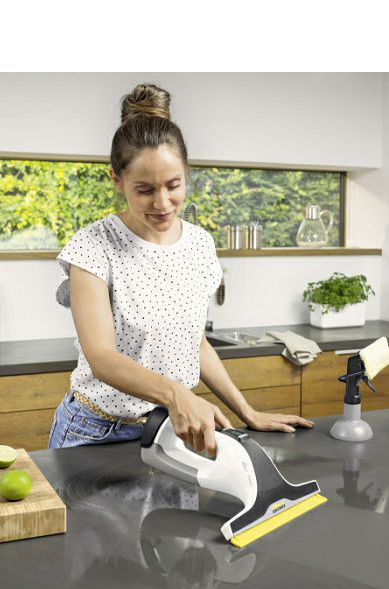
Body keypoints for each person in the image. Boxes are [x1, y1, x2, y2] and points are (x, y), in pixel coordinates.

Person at [49, 83, 314, 455]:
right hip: (95, 433)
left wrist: (247, 412)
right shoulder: (94, 246)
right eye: (145, 190)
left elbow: (196, 344)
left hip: (169, 431)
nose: (162, 203)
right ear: (116, 180)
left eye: (173, 185)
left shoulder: (200, 244)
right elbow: (102, 358)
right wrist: (178, 395)